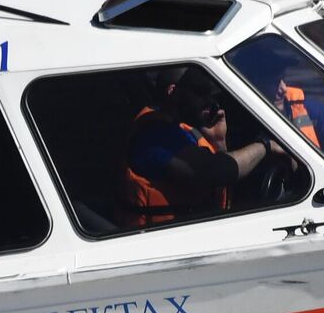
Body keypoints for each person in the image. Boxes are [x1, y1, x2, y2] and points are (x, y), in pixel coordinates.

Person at [120, 68, 286, 228]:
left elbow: (220, 174)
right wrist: (266, 145)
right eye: (200, 92)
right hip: (158, 243)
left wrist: (218, 142)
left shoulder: (182, 130)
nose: (209, 101)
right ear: (173, 91)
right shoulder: (154, 136)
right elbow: (216, 171)